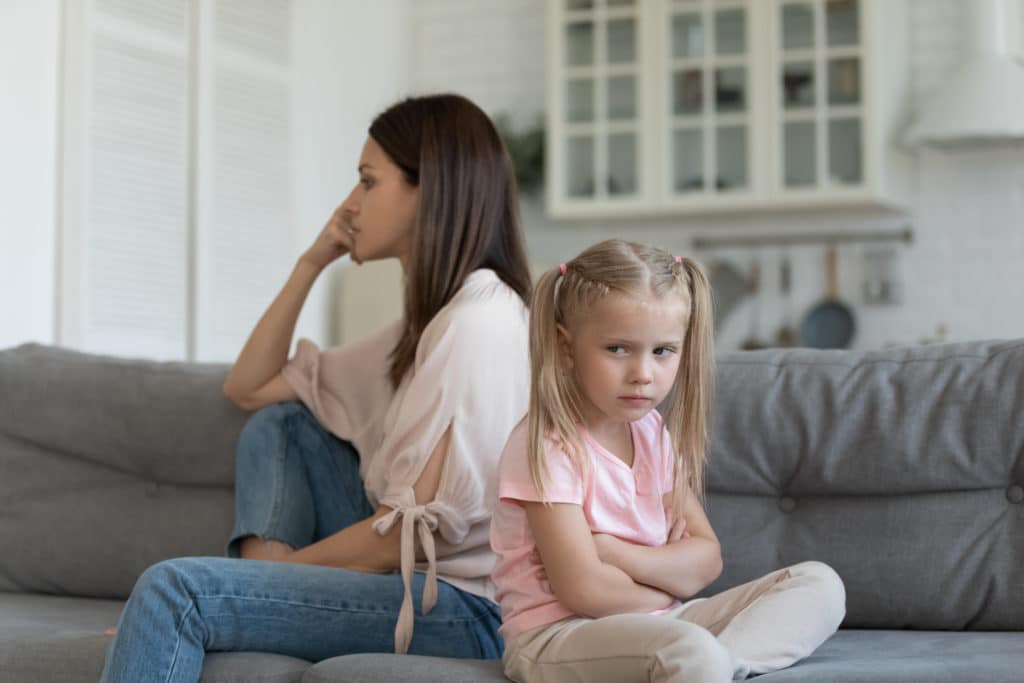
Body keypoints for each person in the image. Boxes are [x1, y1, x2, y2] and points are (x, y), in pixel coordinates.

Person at [100, 93, 533, 682]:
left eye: (366, 181)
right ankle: (249, 607)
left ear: (427, 190)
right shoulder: (426, 327)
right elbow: (249, 387)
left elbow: (399, 539)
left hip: (464, 608)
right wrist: (311, 261)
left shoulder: (477, 324)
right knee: (283, 426)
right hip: (420, 583)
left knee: (174, 591)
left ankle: (240, 607)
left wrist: (254, 587)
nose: (350, 204)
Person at [490, 239, 846, 682]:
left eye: (662, 351)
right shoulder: (545, 443)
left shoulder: (652, 433)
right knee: (691, 649)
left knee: (819, 585)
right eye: (618, 349)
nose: (643, 373)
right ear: (566, 348)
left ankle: (719, 666)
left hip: (663, 627)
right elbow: (584, 589)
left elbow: (707, 560)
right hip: (558, 635)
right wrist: (669, 580)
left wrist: (614, 553)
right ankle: (707, 664)